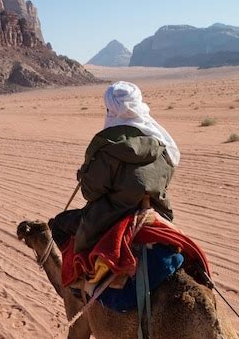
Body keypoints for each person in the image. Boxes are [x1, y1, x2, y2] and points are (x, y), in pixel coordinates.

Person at [50, 81, 180, 253]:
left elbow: (91, 193)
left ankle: (76, 276)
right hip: (158, 210)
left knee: (59, 224)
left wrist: (86, 176)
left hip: (112, 215)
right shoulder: (163, 143)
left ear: (110, 109)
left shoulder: (106, 145)